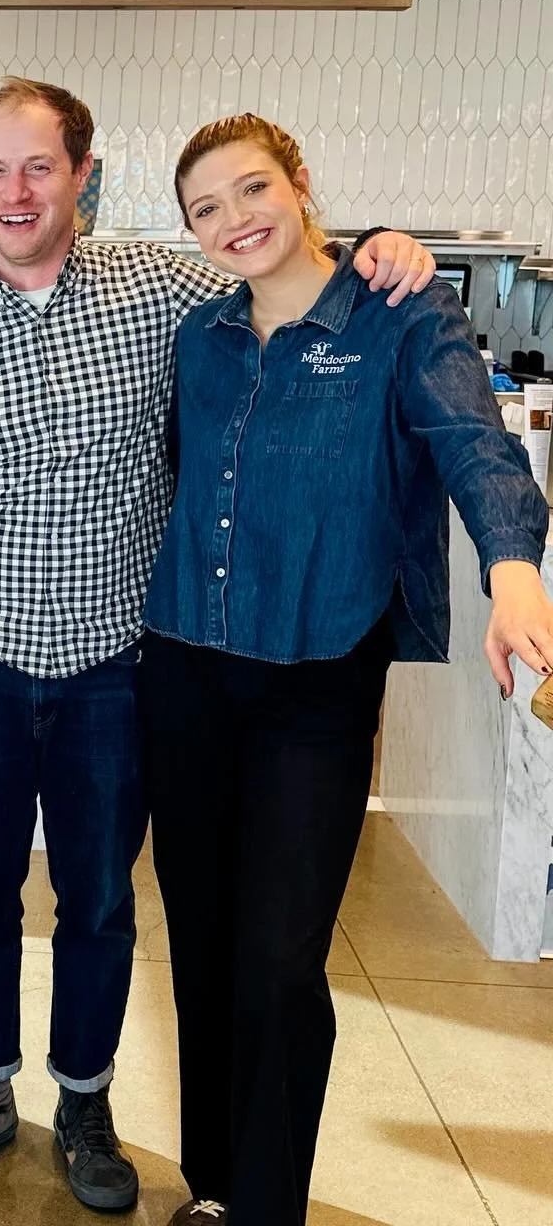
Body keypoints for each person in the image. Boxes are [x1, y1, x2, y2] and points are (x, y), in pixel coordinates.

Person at [0, 78, 436, 1212]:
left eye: (40, 167)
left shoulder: (160, 288)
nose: (16, 191)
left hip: (118, 675)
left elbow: (280, 262)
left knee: (99, 901)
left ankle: (84, 1098)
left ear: (86, 176)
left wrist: (383, 248)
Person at [139, 114, 553, 1226]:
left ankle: (268, 1206)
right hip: (181, 663)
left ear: (301, 183)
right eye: (206, 208)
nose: (235, 220)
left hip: (315, 679)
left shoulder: (401, 316)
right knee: (206, 939)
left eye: (252, 188)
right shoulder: (200, 336)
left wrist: (514, 567)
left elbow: (477, 443)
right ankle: (216, 1186)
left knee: (281, 959)